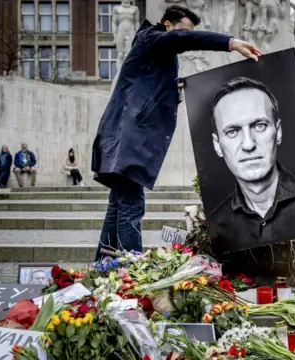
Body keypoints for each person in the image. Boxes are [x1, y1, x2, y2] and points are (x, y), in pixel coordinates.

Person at [91, 5, 261, 260]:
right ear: (168, 25)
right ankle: (132, 268)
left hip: (121, 136)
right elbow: (180, 39)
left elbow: (148, 86)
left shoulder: (153, 51)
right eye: (184, 29)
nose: (186, 37)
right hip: (128, 138)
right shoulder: (152, 37)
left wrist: (176, 87)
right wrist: (231, 42)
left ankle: (104, 265)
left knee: (118, 204)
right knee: (131, 205)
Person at [207, 77, 295, 255]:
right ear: (218, 145)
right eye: (232, 131)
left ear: (278, 132)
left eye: (260, 126)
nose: (248, 145)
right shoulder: (216, 222)